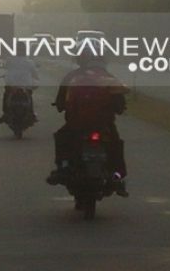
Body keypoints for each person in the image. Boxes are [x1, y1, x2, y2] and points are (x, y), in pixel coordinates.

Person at [46, 45, 129, 196]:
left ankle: (63, 168)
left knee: (62, 138)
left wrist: (61, 105)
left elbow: (60, 100)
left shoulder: (72, 77)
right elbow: (120, 105)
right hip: (104, 125)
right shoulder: (110, 78)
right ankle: (117, 177)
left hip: (76, 125)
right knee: (116, 146)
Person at [0, 55, 39, 124]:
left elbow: (4, 66)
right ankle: (31, 113)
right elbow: (35, 73)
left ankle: (5, 113)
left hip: (12, 84)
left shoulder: (10, 60)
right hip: (25, 85)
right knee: (29, 95)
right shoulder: (29, 62)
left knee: (6, 94)